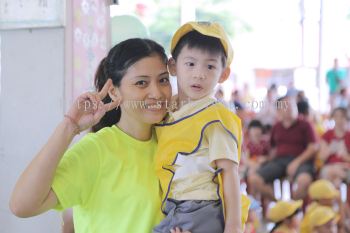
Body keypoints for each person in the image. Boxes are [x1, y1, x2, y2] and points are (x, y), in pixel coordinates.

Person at [9, 38, 189, 233]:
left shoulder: (176, 142)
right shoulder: (97, 150)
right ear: (113, 91)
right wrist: (70, 126)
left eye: (163, 80)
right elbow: (22, 206)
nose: (157, 92)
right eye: (141, 83)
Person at [153, 21, 250, 233]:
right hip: (173, 205)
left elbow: (229, 172)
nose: (199, 74)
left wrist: (233, 227)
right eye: (190, 64)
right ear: (173, 66)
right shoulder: (167, 110)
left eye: (210, 66)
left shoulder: (216, 117)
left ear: (223, 74)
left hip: (200, 208)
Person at [248, 96, 317, 201]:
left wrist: (297, 162)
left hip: (302, 161)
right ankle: (280, 206)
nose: (290, 108)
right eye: (286, 106)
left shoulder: (305, 124)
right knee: (254, 179)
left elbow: (313, 147)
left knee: (304, 181)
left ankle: (292, 209)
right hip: (279, 161)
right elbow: (273, 149)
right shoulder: (276, 127)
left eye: (292, 105)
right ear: (279, 110)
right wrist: (266, 159)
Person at [319, 107, 350, 188]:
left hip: (345, 166)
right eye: (336, 116)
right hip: (330, 167)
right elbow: (321, 158)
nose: (339, 120)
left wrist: (345, 156)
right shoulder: (327, 135)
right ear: (333, 118)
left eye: (342, 117)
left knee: (337, 179)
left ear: (346, 118)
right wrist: (330, 149)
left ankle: (335, 197)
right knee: (335, 177)